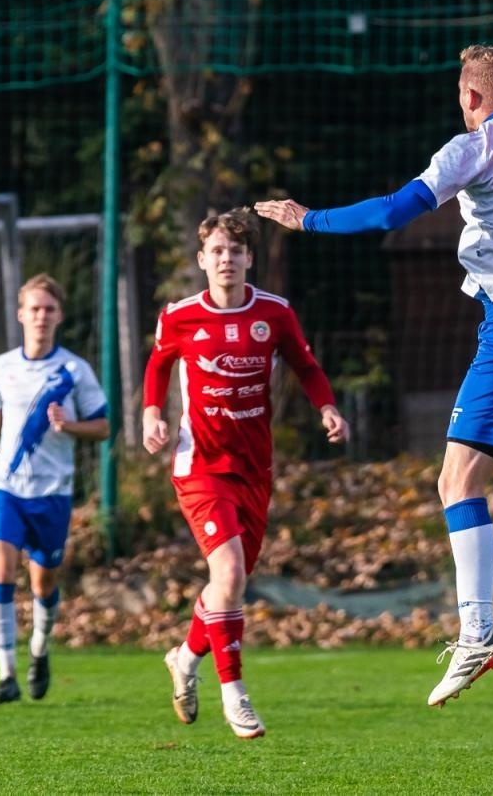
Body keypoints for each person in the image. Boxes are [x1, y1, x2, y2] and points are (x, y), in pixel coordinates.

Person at [254, 44, 493, 707]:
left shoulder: (474, 145)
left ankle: (478, 629)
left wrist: (307, 217)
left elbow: (396, 209)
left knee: (455, 479)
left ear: (472, 97)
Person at [143, 208, 350, 740]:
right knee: (230, 574)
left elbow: (306, 366)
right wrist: (150, 414)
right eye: (216, 251)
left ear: (249, 258)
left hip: (254, 468)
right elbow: (159, 363)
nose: (226, 259)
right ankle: (234, 694)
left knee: (227, 583)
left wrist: (325, 407)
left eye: (235, 251)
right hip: (200, 466)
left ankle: (185, 658)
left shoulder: (275, 314)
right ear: (201, 260)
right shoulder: (181, 315)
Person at [0, 273, 110, 705]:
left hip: (53, 493)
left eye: (49, 309)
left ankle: (40, 648)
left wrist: (70, 425)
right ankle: (6, 675)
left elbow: (103, 426)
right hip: (6, 486)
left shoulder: (75, 371)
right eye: (34, 309)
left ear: (58, 316)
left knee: (43, 583)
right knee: (1, 571)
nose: (41, 316)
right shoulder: (2, 366)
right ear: (21, 314)